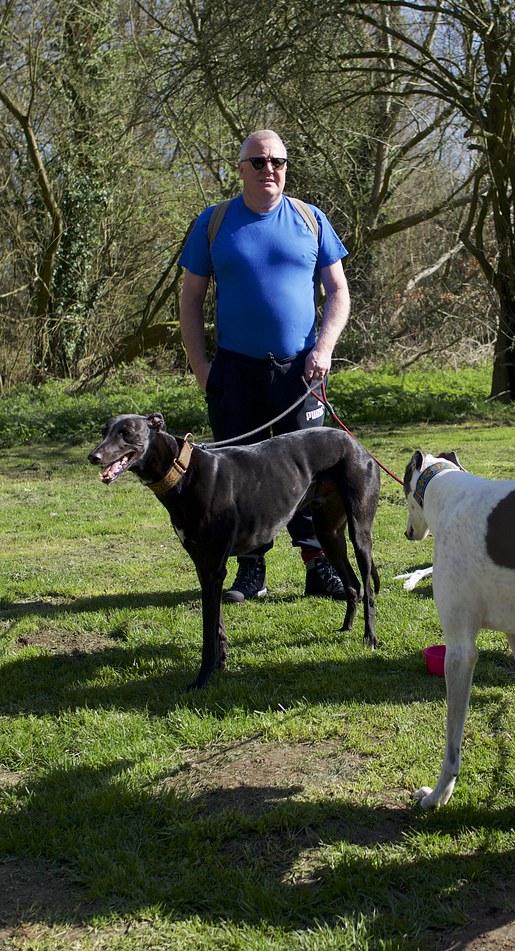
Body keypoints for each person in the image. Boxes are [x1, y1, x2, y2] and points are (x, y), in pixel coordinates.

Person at [178, 129, 353, 604]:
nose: (268, 169)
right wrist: (202, 367)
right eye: (257, 161)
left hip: (301, 371)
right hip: (234, 372)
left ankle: (319, 565)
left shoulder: (310, 220)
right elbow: (190, 300)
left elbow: (338, 291)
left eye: (277, 160)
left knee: (311, 471)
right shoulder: (213, 224)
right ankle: (250, 570)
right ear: (240, 169)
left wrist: (325, 349)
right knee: (238, 472)